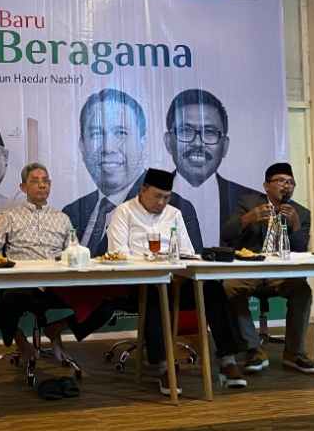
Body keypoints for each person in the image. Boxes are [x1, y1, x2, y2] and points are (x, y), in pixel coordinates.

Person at [106, 168, 248, 393]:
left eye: (166, 197)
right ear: (143, 190)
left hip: (176, 281)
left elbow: (187, 252)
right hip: (140, 283)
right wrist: (154, 262)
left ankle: (227, 360)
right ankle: (164, 367)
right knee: (154, 294)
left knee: (213, 290)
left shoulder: (174, 214)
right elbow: (118, 253)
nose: (161, 203)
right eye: (157, 196)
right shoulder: (123, 212)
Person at [0, 163, 101, 367]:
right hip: (22, 283)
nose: (41, 185)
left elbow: (74, 251)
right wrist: (0, 261)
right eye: (35, 181)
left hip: (57, 284)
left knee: (102, 301)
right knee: (5, 305)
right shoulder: (7, 216)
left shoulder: (62, 219)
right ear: (23, 187)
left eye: (45, 181)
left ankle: (56, 329)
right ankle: (21, 343)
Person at [63, 88, 202, 256]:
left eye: (121, 133)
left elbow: (190, 261)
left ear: (142, 142)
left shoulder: (177, 208)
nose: (108, 148)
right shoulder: (72, 212)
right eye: (96, 134)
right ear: (82, 145)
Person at [222, 162, 314, 375]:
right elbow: (226, 234)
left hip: (281, 274)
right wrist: (248, 218)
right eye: (281, 181)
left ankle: (294, 353)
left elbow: (300, 250)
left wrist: (295, 224)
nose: (286, 186)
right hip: (251, 271)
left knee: (302, 291)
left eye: (291, 182)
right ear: (266, 186)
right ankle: (253, 349)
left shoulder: (301, 213)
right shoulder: (248, 203)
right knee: (230, 287)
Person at [163, 88, 261, 249]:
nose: (197, 143)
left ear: (225, 146)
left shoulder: (253, 201)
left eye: (209, 132)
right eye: (185, 131)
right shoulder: (144, 198)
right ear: (168, 141)